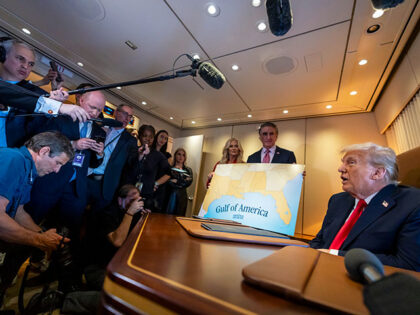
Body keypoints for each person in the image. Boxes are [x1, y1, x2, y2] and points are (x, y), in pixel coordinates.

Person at [309, 143, 420, 271]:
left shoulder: (413, 205)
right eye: (342, 163)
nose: (340, 168)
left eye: (351, 163)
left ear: (377, 173)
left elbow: (408, 264)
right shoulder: (337, 200)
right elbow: (319, 241)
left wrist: (335, 255)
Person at [0, 131, 73, 303]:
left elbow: (19, 211)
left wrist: (43, 234)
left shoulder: (27, 168)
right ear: (44, 151)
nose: (57, 170)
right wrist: (39, 241)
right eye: (57, 163)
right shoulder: (13, 159)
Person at [0, 38, 88, 148]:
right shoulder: (37, 98)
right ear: (3, 56)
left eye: (31, 64)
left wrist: (52, 108)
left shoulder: (37, 94)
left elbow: (37, 132)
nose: (25, 66)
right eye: (20, 59)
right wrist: (57, 106)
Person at [83, 185, 148, 290]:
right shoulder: (106, 214)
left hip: (119, 264)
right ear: (119, 200)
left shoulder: (131, 213)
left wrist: (143, 219)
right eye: (132, 200)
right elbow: (117, 242)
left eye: (138, 200)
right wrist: (130, 213)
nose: (135, 204)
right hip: (98, 268)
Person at [87, 104, 138, 210]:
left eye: (130, 116)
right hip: (86, 176)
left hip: (106, 185)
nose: (127, 118)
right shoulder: (100, 127)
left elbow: (131, 165)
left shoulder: (130, 140)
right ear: (116, 113)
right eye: (125, 114)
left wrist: (141, 156)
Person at [121, 125, 170, 211]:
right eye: (145, 136)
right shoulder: (132, 150)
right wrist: (140, 155)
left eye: (151, 137)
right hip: (129, 193)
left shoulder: (158, 155)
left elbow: (169, 172)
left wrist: (156, 184)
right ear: (139, 136)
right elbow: (130, 167)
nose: (148, 139)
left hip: (146, 196)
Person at [165, 148, 193, 215]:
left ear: (185, 157)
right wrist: (183, 180)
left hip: (182, 196)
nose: (181, 157)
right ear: (175, 155)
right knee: (167, 217)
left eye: (183, 155)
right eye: (179, 154)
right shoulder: (170, 168)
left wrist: (176, 181)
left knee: (180, 217)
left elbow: (188, 183)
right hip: (170, 195)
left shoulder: (188, 170)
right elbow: (169, 182)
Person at [151, 130, 171, 210]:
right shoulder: (148, 150)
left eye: (165, 138)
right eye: (161, 136)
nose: (163, 140)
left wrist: (155, 184)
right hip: (146, 185)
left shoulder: (167, 156)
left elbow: (169, 174)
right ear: (157, 136)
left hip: (159, 188)